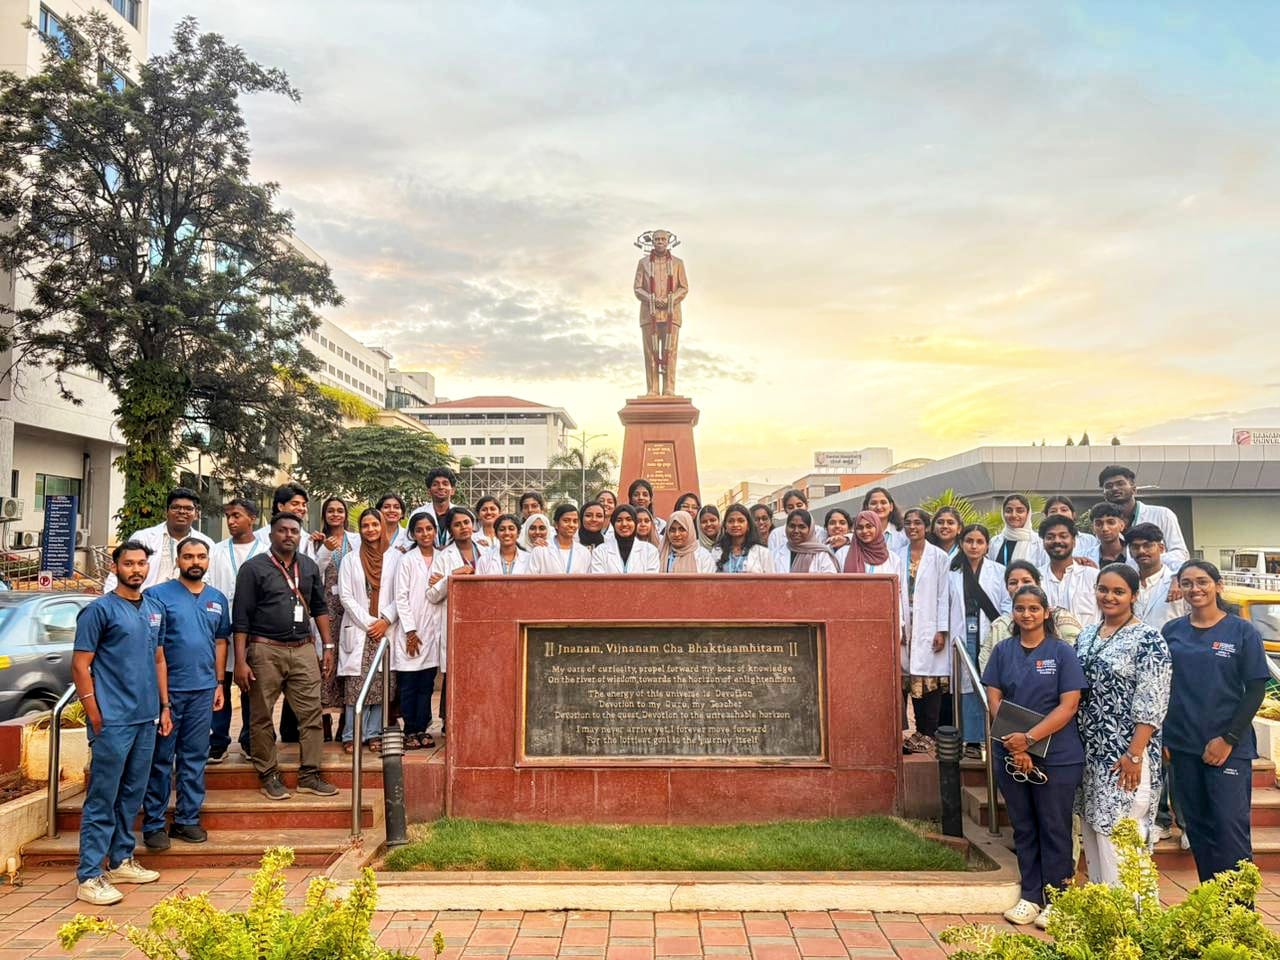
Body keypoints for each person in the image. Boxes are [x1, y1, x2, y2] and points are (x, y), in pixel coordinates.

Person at [72, 541, 171, 905]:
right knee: (103, 797)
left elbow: (159, 659)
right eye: (129, 563)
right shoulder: (99, 611)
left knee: (132, 794)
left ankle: (120, 860)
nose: (136, 569)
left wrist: (164, 707)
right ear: (115, 567)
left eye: (141, 563)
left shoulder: (155, 609)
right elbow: (80, 664)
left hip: (146, 717)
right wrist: (94, 712)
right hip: (112, 720)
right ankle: (89, 875)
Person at [982, 584, 1087, 928]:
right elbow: (994, 699)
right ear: (1013, 613)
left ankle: (1059, 899)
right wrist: (1015, 746)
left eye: (1033, 609)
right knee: (1024, 826)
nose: (1026, 615)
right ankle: (1030, 896)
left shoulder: (1062, 652)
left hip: (1056, 755)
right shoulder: (1003, 651)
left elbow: (1069, 705)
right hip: (1011, 752)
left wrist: (1028, 740)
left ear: (1046, 613)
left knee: (1054, 827)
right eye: (1020, 608)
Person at [1163, 560, 1268, 883]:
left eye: (1202, 581)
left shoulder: (1242, 631)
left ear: (1218, 585)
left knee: (1229, 830)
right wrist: (1164, 738)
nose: (1195, 589)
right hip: (1183, 746)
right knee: (1198, 829)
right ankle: (1211, 903)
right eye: (1187, 583)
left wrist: (1229, 739)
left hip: (1227, 747)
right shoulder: (1172, 632)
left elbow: (1255, 690)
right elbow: (1162, 687)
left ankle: (1238, 908)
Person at [1075, 563, 1171, 885]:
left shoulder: (1149, 639)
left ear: (1134, 595)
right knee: (1094, 834)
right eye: (1103, 589)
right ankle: (1103, 911)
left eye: (1118, 591)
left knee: (1120, 838)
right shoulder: (1087, 634)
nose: (1109, 597)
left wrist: (1134, 754)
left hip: (1125, 757)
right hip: (1090, 754)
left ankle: (1133, 914)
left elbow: (1152, 702)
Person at [232, 512, 337, 801]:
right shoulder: (253, 568)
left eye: (294, 531)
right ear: (271, 535)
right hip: (265, 649)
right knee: (261, 715)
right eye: (283, 530)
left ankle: (310, 775)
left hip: (303, 649)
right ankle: (268, 775)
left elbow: (319, 607)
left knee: (312, 714)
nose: (289, 535)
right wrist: (240, 661)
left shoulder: (308, 566)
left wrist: (328, 647)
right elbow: (240, 618)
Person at [141, 538, 229, 850]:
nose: (195, 562)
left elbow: (221, 641)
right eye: (188, 556)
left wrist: (219, 683)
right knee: (161, 758)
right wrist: (162, 698)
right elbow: (152, 648)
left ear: (208, 561)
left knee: (194, 757)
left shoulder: (217, 598)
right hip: (168, 692)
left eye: (201, 556)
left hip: (203, 690)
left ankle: (187, 820)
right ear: (178, 560)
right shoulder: (157, 596)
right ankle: (153, 824)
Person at [207, 498, 262, 763]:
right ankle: (218, 740)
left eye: (237, 515)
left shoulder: (265, 551)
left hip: (254, 629)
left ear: (252, 518)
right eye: (228, 516)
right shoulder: (216, 551)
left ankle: (250, 739)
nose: (231, 521)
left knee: (251, 685)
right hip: (221, 629)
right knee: (220, 684)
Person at [337, 508, 394, 754]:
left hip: (385, 629)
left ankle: (373, 734)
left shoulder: (396, 557)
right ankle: (351, 734)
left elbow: (402, 594)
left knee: (380, 685)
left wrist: (386, 619)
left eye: (375, 525)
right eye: (365, 525)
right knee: (356, 686)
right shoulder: (350, 559)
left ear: (382, 526)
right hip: (361, 628)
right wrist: (370, 622)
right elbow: (345, 596)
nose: (370, 530)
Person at [948, 524, 1006, 757]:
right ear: (961, 543)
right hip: (962, 632)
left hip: (991, 632)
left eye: (979, 542)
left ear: (987, 546)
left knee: (991, 683)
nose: (974, 546)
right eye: (969, 541)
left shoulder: (999, 571)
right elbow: (943, 603)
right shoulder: (952, 570)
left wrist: (1002, 627)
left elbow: (1006, 602)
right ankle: (973, 740)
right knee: (969, 684)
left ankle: (995, 738)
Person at [898, 508, 951, 754]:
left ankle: (929, 732)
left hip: (929, 623)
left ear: (926, 527)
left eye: (918, 523)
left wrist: (941, 629)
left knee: (929, 680)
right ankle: (916, 731)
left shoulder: (939, 556)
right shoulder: (897, 555)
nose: (912, 527)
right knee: (908, 679)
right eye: (908, 523)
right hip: (905, 623)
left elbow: (943, 594)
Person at [428, 507, 483, 734]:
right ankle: (449, 722)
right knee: (455, 673)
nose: (463, 527)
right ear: (450, 530)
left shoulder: (486, 551)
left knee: (479, 672)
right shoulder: (443, 557)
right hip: (456, 622)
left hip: (482, 620)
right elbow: (432, 595)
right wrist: (452, 577)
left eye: (466, 522)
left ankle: (476, 721)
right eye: (457, 524)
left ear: (473, 524)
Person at [393, 512, 443, 749]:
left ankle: (422, 729)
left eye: (429, 529)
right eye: (420, 530)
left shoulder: (443, 558)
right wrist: (410, 631)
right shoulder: (406, 560)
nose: (425, 534)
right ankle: (409, 730)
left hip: (434, 632)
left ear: (435, 531)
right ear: (412, 534)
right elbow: (401, 597)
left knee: (426, 684)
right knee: (409, 684)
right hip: (411, 632)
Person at [105, 487, 214, 591]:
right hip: (148, 601)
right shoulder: (143, 538)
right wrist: (112, 601)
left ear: (196, 514)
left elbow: (211, 578)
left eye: (188, 508)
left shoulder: (206, 543)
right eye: (175, 507)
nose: (181, 512)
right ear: (166, 511)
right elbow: (118, 573)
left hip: (188, 601)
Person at [983, 561, 1083, 670]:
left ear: (1038, 584)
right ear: (1007, 588)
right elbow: (986, 666)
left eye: (1026, 581)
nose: (1019, 586)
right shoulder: (999, 625)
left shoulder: (1060, 617)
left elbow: (1077, 654)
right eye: (1013, 583)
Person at [1099, 466, 1188, 571]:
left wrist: (1147, 558)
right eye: (1109, 486)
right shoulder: (1101, 525)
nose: (1114, 488)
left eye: (1120, 484)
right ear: (1104, 494)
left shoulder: (1163, 514)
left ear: (1134, 489)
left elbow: (1180, 554)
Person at [1039, 515, 1099, 626]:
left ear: (1074, 541)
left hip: (1087, 637)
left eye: (1063, 536)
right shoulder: (1036, 578)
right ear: (1043, 543)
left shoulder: (1093, 576)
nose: (1057, 541)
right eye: (1050, 537)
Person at [1128, 524, 1187, 628]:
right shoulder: (1126, 583)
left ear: (1161, 548)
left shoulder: (1178, 583)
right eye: (1136, 547)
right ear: (1130, 552)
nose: (1141, 551)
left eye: (1147, 546)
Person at [592, 505, 660, 573]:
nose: (624, 524)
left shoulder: (650, 551)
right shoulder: (600, 551)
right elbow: (598, 578)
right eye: (619, 520)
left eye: (629, 519)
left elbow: (651, 578)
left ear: (635, 523)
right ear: (613, 524)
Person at [254, 484, 315, 558]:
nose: (301, 508)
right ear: (280, 507)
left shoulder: (308, 538)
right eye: (295, 504)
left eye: (304, 505)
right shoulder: (259, 536)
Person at [530, 503, 592, 574]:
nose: (571, 525)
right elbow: (531, 578)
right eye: (566, 520)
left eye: (575, 521)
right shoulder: (541, 550)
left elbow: (588, 579)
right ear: (556, 524)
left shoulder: (584, 553)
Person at [712, 503, 772, 573]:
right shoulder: (717, 551)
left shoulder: (763, 552)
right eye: (731, 521)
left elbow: (771, 578)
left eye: (740, 521)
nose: (735, 524)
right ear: (725, 526)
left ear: (748, 525)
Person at [312, 497, 359, 581]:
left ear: (345, 515)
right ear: (324, 515)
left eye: (340, 511)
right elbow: (314, 573)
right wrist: (325, 549)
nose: (335, 514)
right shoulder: (318, 541)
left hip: (351, 588)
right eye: (330, 511)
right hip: (327, 589)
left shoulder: (357, 539)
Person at [1044, 495, 1099, 562]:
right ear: (1046, 516)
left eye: (1064, 510)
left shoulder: (1089, 540)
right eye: (1053, 511)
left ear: (1073, 515)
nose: (1059, 513)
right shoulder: (1039, 542)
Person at [782, 509, 838, 574]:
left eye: (802, 527)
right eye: (792, 526)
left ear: (810, 529)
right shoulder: (776, 553)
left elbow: (830, 577)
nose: (796, 531)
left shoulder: (821, 553)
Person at [989, 494, 1038, 569]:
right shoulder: (994, 541)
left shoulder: (1039, 542)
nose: (1014, 515)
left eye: (1020, 511)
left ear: (1028, 513)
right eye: (1009, 511)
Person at [768, 490, 812, 572]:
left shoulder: (820, 532)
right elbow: (771, 565)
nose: (795, 509)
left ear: (806, 506)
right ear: (785, 510)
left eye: (799, 505)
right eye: (790, 507)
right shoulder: (776, 534)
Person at [416, 467, 459, 547]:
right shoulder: (418, 513)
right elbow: (409, 541)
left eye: (445, 484)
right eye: (435, 484)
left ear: (453, 490)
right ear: (429, 491)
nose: (441, 487)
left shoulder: (462, 514)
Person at [863, 487, 906, 554]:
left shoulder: (903, 533)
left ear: (891, 507)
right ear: (866, 507)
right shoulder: (861, 533)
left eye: (883, 502)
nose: (879, 507)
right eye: (873, 503)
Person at [1088, 502, 1131, 567]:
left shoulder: (1136, 554)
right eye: (1098, 524)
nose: (1105, 529)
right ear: (1093, 528)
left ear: (1122, 525)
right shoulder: (1085, 557)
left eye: (1111, 523)